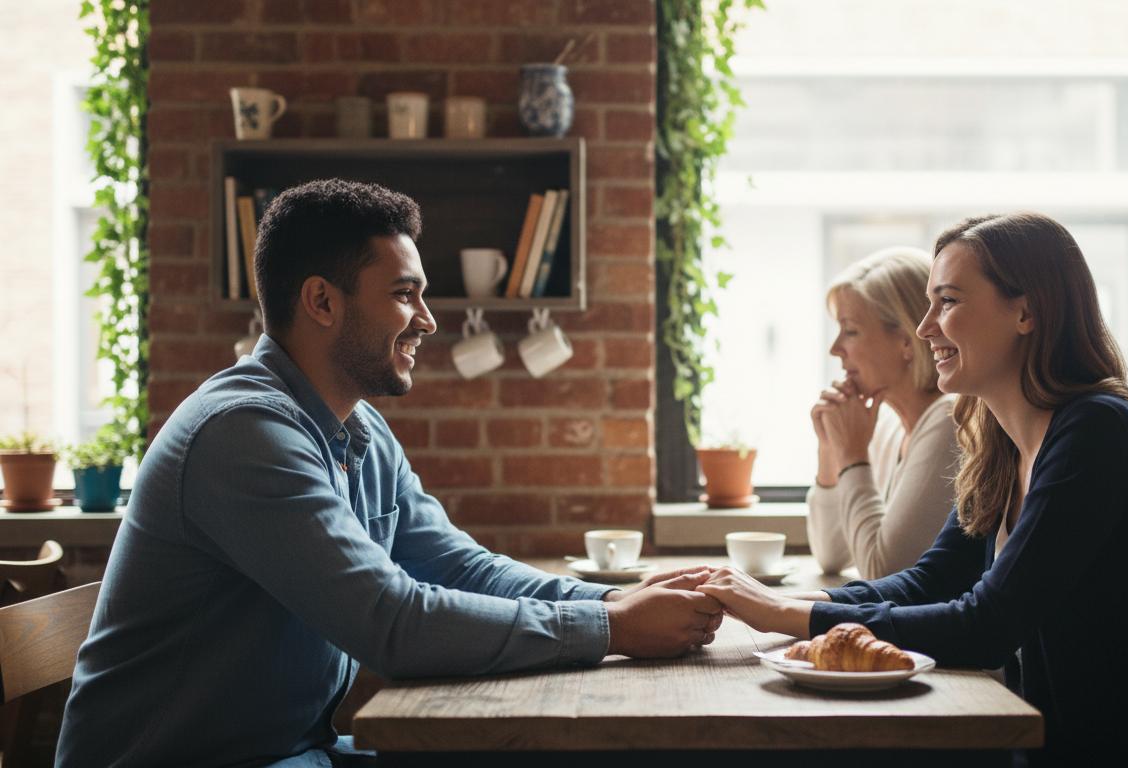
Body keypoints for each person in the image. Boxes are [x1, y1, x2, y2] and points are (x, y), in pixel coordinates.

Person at [57, 179, 723, 768]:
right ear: (322, 301)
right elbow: (391, 623)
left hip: (297, 752)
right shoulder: (243, 434)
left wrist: (607, 602)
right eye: (405, 295)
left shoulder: (359, 429)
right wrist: (614, 631)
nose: (427, 321)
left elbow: (458, 567)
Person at [698, 213, 1128, 765]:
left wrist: (785, 615)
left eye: (948, 302)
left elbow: (987, 625)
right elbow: (931, 581)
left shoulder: (1097, 432)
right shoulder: (1001, 442)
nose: (925, 328)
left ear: (1026, 312)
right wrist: (779, 601)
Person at [807, 247, 958, 578]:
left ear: (906, 341)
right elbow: (832, 554)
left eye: (850, 330)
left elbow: (883, 572)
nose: (835, 349)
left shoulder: (948, 421)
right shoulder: (889, 426)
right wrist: (831, 450)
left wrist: (853, 457)